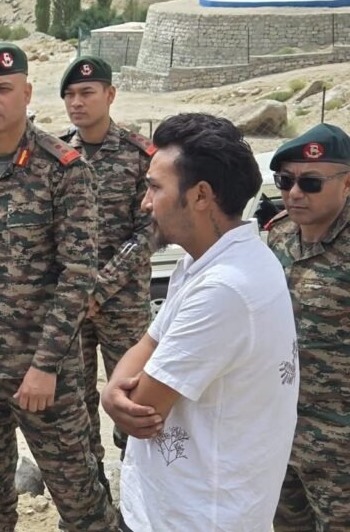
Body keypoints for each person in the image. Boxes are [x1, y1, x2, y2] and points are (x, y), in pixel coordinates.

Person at [0, 42, 116, 532]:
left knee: (81, 504)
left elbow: (78, 274)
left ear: (27, 93)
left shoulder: (64, 169)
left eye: (2, 89)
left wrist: (45, 366)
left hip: (45, 378)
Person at [101, 113, 298, 531]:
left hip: (196, 517)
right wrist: (111, 392)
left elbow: (144, 405)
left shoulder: (225, 288)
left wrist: (114, 396)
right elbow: (149, 344)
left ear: (201, 195)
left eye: (156, 188)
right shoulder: (207, 262)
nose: (146, 203)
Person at [59, 56, 156, 491]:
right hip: (71, 309)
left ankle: (139, 494)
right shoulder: (57, 154)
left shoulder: (139, 156)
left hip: (124, 306)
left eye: (86, 93)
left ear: (110, 95)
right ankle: (92, 502)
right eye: (70, 95)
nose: (77, 103)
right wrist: (78, 293)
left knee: (134, 401)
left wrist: (98, 289)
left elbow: (148, 232)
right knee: (75, 407)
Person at [266, 123, 350, 530]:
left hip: (340, 446)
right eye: (286, 181)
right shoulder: (278, 236)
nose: (295, 193)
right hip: (280, 430)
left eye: (311, 183)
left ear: (347, 183)